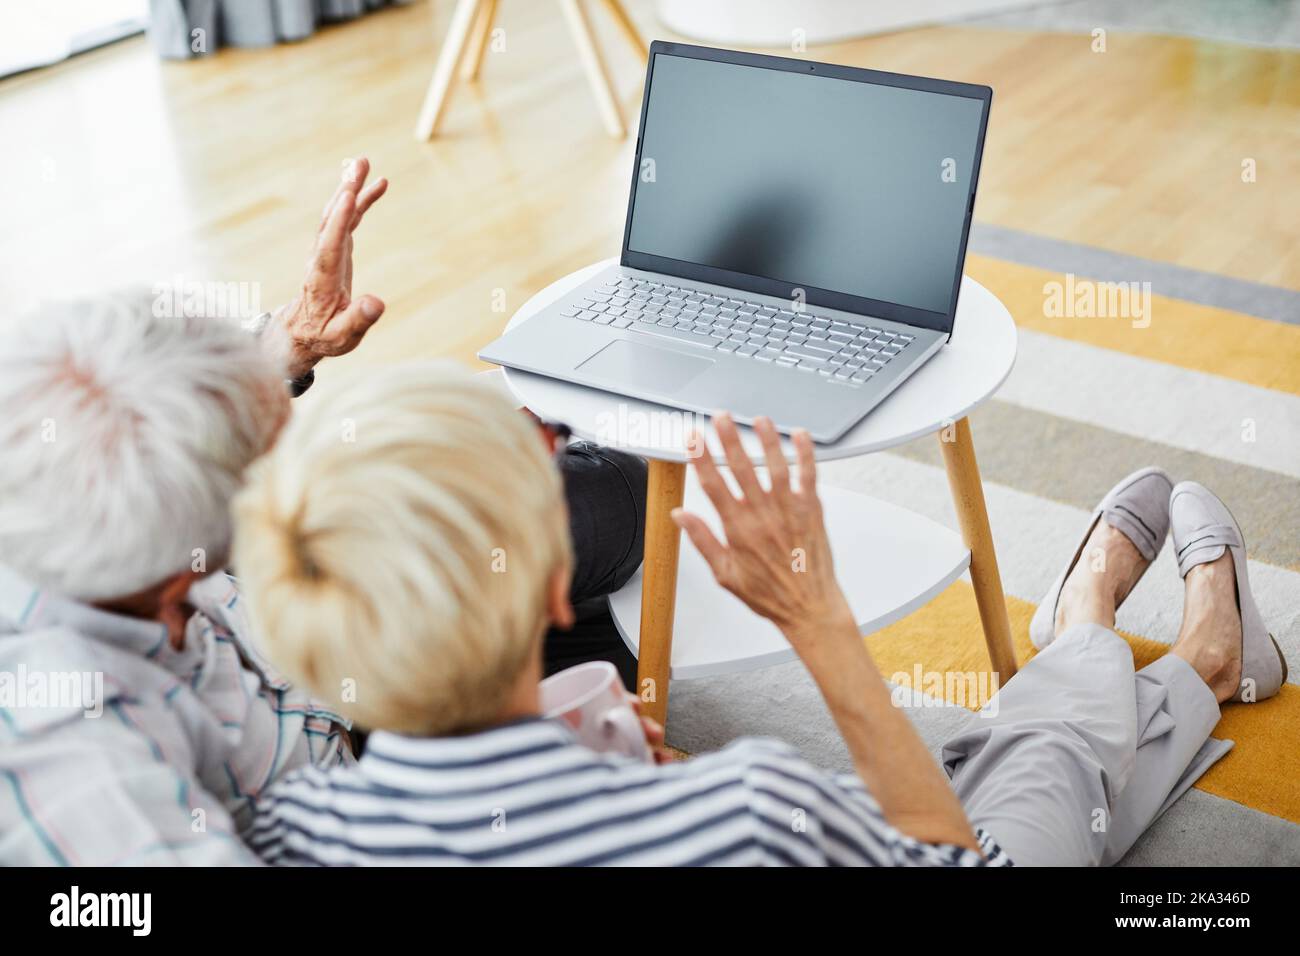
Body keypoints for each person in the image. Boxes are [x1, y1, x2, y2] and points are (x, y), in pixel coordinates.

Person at [238, 363, 1285, 867]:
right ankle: (1159, 645)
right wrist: (820, 626)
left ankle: (1142, 650)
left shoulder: (288, 833)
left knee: (973, 762)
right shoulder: (743, 811)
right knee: (1036, 768)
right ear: (558, 588)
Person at [0, 160, 644, 865]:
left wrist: (289, 344)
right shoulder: (82, 773)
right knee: (594, 591)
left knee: (610, 507)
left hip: (321, 645)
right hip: (351, 768)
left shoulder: (55, 465)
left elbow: (129, 412)